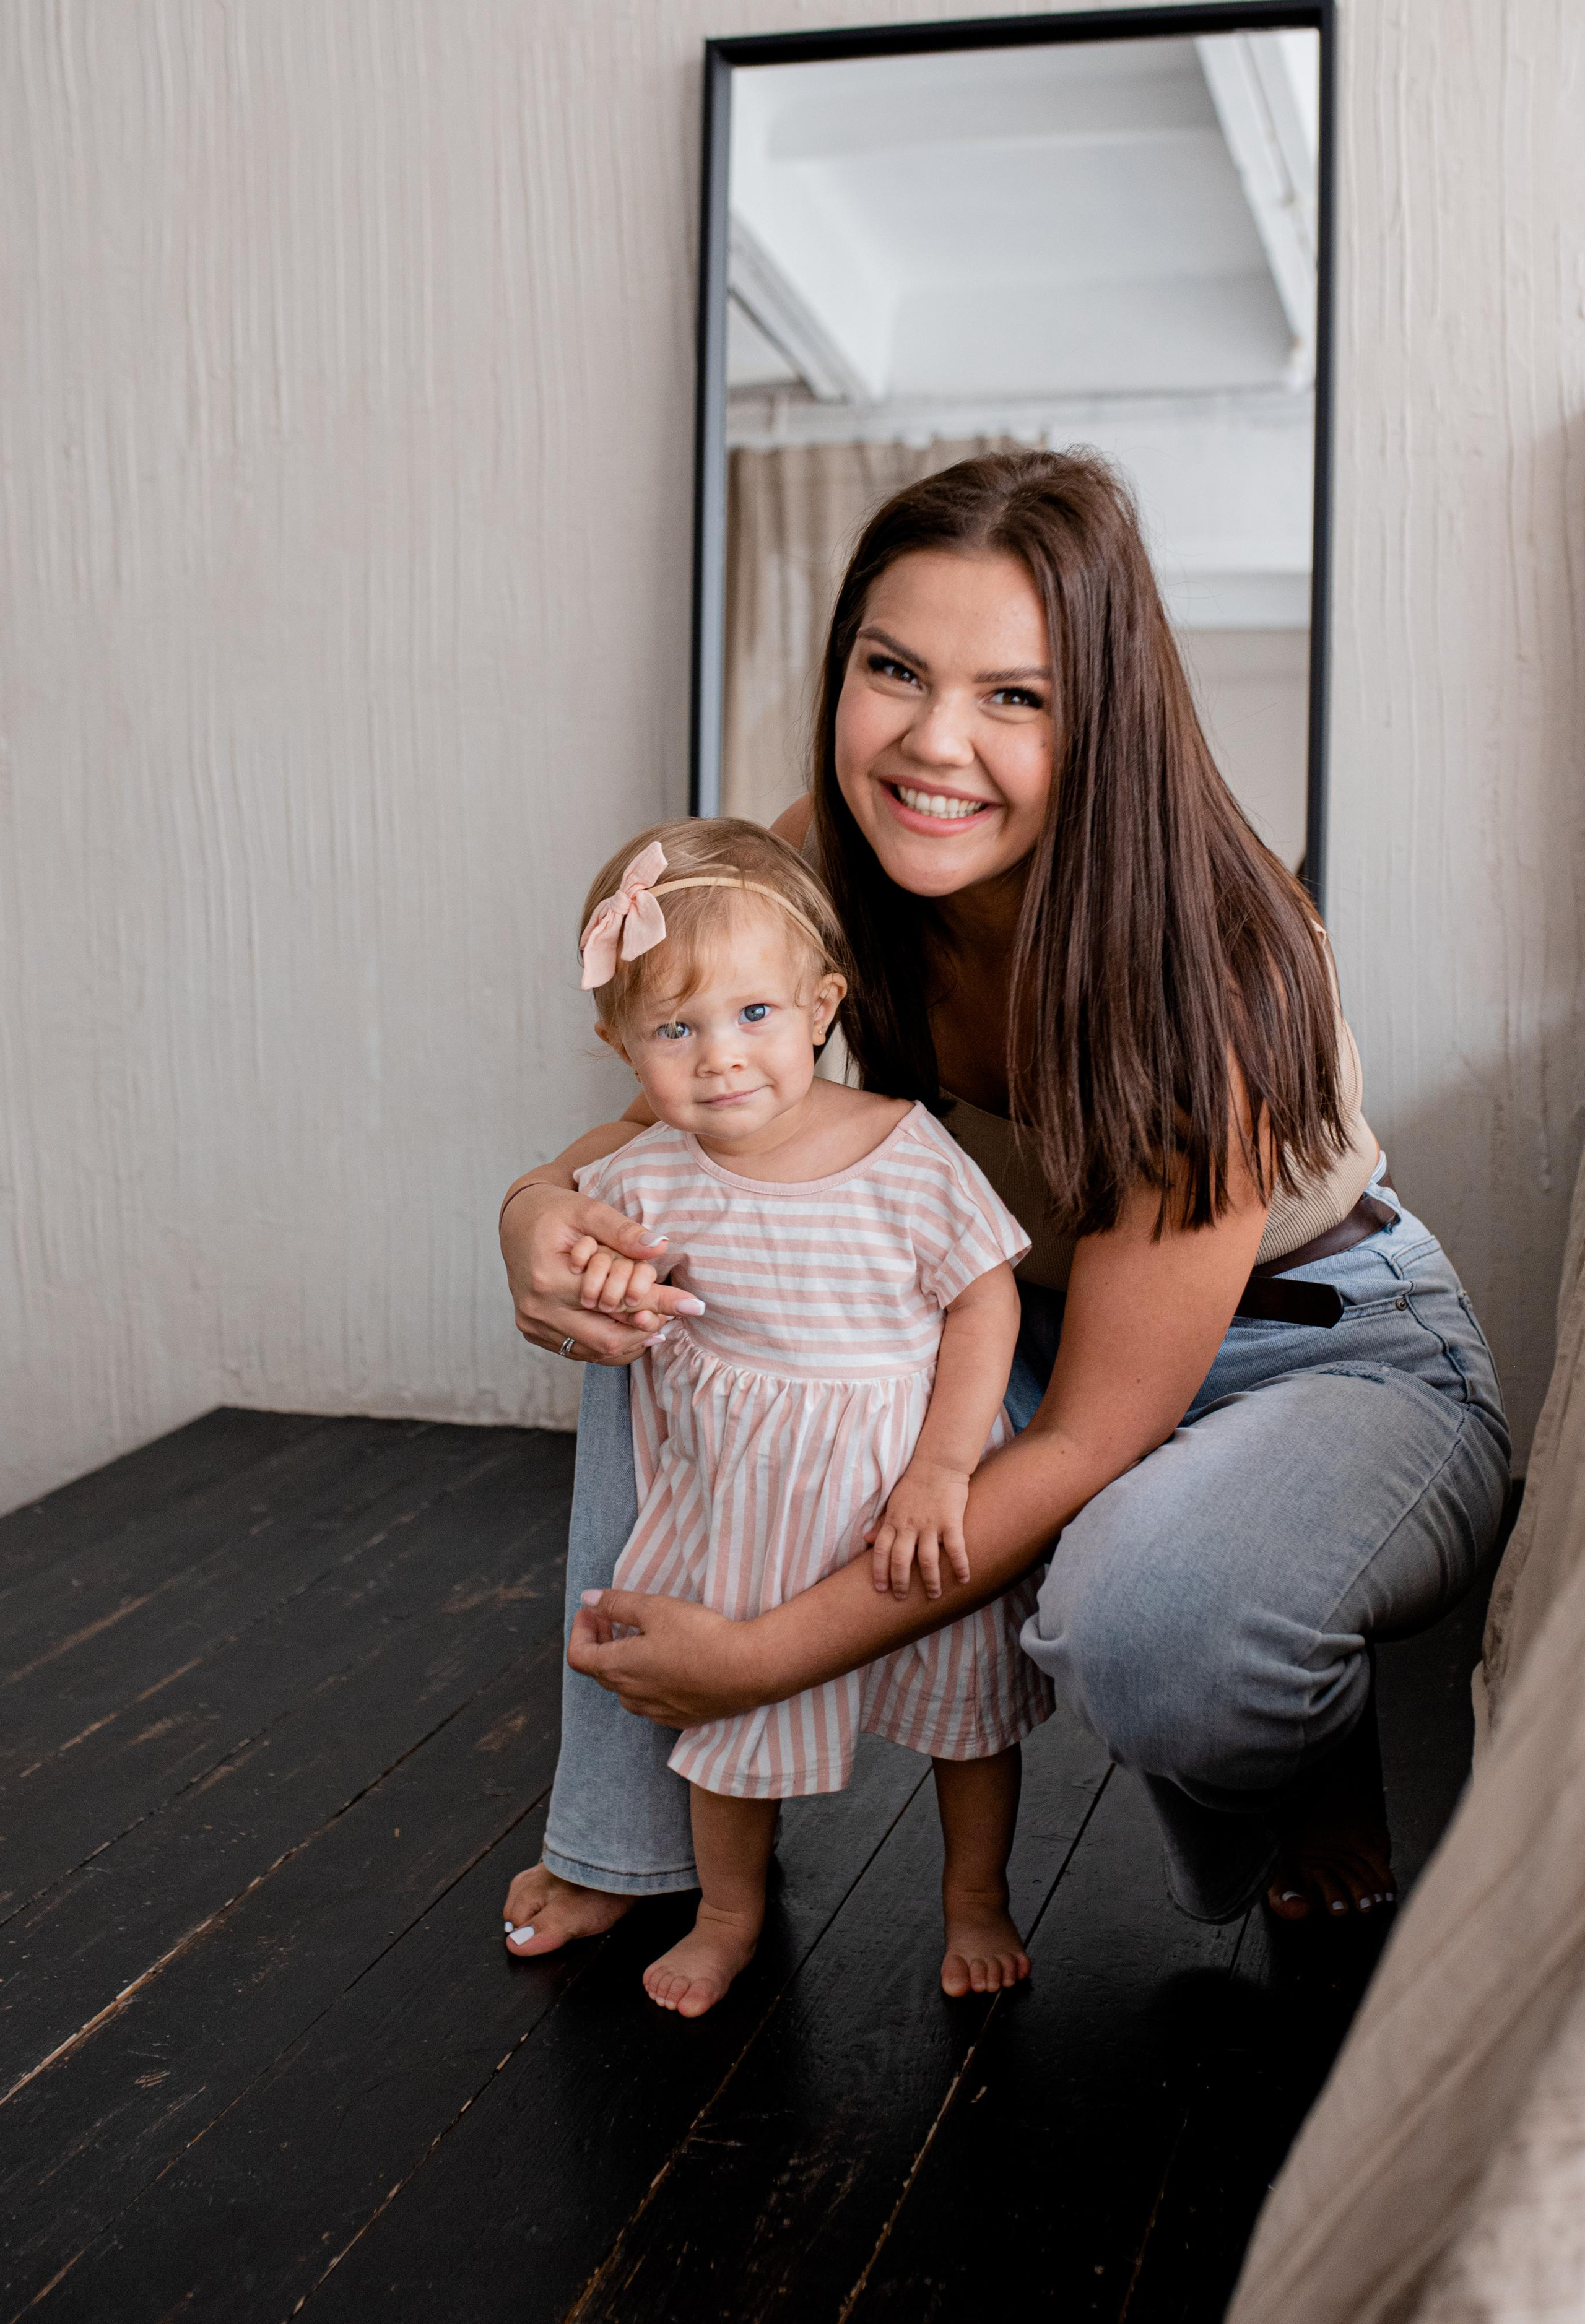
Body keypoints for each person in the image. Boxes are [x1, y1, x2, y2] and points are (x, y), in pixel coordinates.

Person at [500, 451, 1511, 1958]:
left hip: (1327, 1350)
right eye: (892, 669)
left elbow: (1097, 1432)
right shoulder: (819, 866)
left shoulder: (1210, 967)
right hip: (1010, 1322)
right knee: (658, 1280)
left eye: (1013, 698)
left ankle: (1293, 1719)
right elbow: (675, 1141)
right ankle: (628, 1842)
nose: (932, 743)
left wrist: (759, 1658)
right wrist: (536, 1211)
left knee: (1153, 1633)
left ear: (1100, 719)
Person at [508, 818, 1048, 2013]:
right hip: (742, 1498)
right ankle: (730, 1912)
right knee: (726, 1722)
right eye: (675, 1030)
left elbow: (982, 1304)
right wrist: (603, 1271)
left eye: (754, 1015)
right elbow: (585, 1230)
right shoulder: (653, 1169)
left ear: (821, 1007)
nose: (721, 1060)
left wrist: (945, 1468)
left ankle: (976, 1898)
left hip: (903, 1478)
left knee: (966, 1714)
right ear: (621, 1046)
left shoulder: (901, 1149)